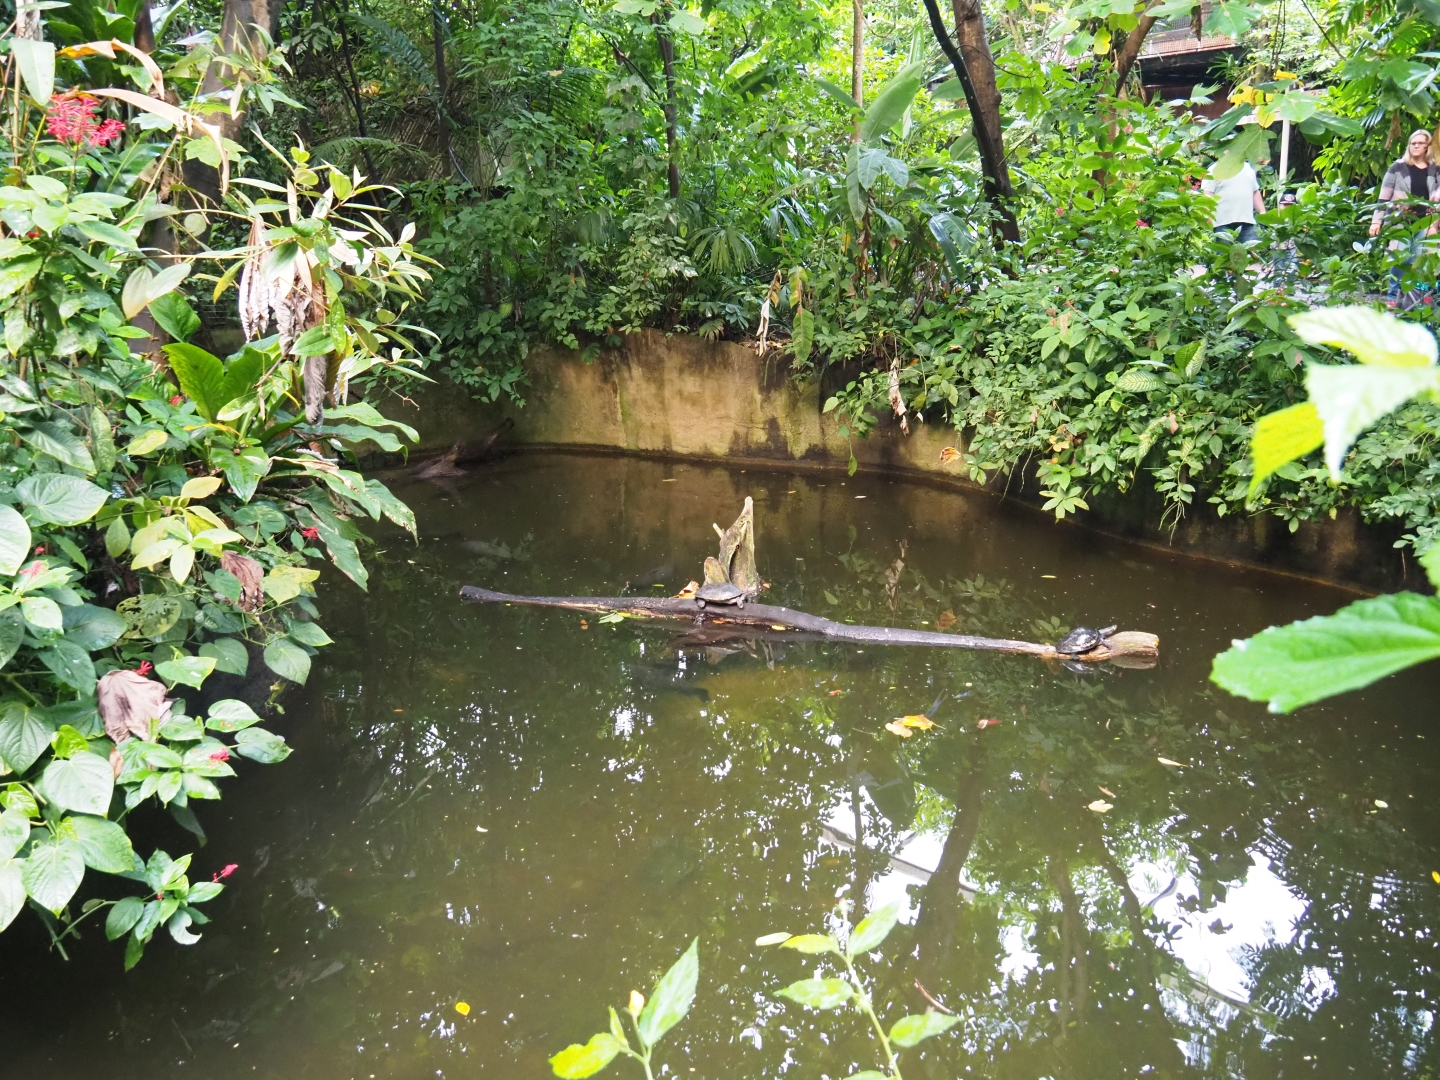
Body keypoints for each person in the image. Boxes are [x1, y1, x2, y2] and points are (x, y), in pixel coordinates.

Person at [1368, 129, 1440, 307]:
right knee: (1399, 259)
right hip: (1401, 222)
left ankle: (1418, 300)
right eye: (1413, 143)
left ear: (1427, 146)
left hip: (1426, 222)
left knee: (1421, 261)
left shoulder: (1435, 169)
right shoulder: (1398, 167)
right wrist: (1376, 222)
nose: (1416, 146)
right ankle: (1394, 298)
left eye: (1420, 143)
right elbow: (1383, 198)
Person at [1201, 160, 1265, 243]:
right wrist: (1207, 215)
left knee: (1250, 250)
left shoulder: (1248, 168)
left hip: (1247, 221)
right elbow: (1207, 195)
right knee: (1224, 250)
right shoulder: (1214, 169)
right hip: (1222, 222)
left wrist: (1262, 211)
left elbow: (1255, 192)